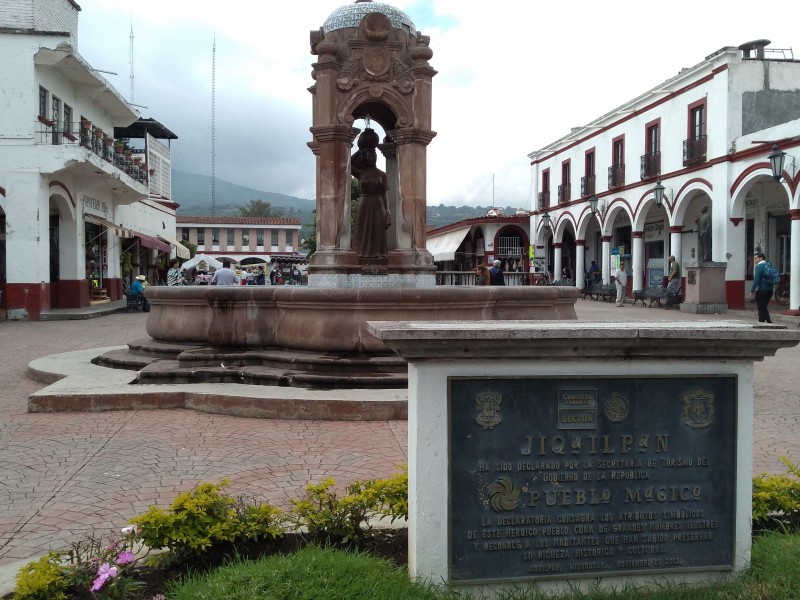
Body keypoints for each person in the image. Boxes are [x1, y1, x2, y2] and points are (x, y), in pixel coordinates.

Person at [351, 128, 391, 260]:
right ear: (365, 157)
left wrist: (387, 210)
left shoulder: (382, 175)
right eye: (369, 155)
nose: (372, 157)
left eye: (374, 155)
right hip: (364, 202)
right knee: (363, 229)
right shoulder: (360, 173)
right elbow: (348, 162)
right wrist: (361, 150)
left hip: (378, 203)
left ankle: (379, 254)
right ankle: (361, 253)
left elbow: (385, 194)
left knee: (378, 230)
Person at [751, 252, 773, 323]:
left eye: (756, 258)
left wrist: (752, 290)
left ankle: (761, 322)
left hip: (762, 290)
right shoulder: (769, 265)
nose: (754, 260)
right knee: (763, 306)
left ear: (761, 258)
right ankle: (769, 322)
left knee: (761, 307)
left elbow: (756, 279)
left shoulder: (759, 266)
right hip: (770, 290)